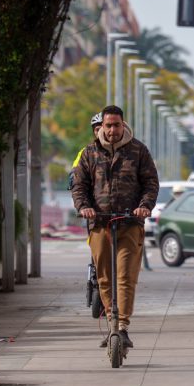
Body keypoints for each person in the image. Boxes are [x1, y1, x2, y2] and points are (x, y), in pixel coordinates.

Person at [72, 105, 159, 349]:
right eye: (108, 125)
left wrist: (144, 206)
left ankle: (123, 326)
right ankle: (111, 323)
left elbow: (151, 183)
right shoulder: (89, 152)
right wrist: (84, 207)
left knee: (125, 276)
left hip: (129, 223)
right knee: (105, 278)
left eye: (116, 125)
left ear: (123, 125)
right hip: (100, 223)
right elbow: (79, 186)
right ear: (103, 126)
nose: (112, 130)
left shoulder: (138, 151)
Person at [68, 112, 103, 190]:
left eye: (103, 129)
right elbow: (74, 175)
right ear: (94, 132)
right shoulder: (86, 152)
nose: (100, 133)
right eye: (97, 130)